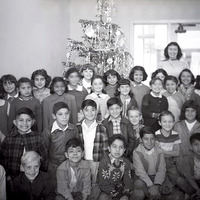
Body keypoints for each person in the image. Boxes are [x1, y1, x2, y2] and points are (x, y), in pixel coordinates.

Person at [0, 107, 48, 179]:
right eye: (21, 120)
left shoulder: (38, 138)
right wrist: (7, 175)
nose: (24, 123)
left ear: (33, 122)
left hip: (33, 177)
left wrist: (41, 176)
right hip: (13, 178)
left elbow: (44, 159)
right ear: (15, 122)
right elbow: (2, 159)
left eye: (28, 120)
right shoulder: (9, 139)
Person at [42, 102, 78, 189]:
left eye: (66, 113)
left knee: (70, 190)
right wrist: (46, 168)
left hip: (70, 165)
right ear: (54, 116)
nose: (64, 117)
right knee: (55, 190)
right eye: (60, 114)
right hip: (54, 167)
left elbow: (77, 147)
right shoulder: (48, 132)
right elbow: (44, 152)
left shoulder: (73, 129)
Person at [77, 99, 108, 185]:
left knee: (95, 183)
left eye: (93, 110)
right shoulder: (77, 128)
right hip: (81, 161)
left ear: (96, 111)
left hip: (96, 161)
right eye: (86, 110)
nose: (90, 113)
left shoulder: (101, 128)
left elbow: (105, 148)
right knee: (83, 184)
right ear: (82, 111)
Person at [132, 126, 166, 200]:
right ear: (141, 140)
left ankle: (153, 194)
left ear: (155, 139)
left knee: (168, 188)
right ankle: (152, 194)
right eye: (146, 139)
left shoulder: (160, 151)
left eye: (152, 139)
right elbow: (140, 172)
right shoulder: (136, 152)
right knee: (139, 184)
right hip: (143, 178)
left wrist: (156, 184)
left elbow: (161, 169)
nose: (149, 142)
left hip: (156, 177)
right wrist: (151, 186)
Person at [96, 134, 134, 200]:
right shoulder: (104, 162)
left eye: (121, 147)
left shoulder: (126, 162)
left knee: (139, 194)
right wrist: (117, 195)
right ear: (109, 148)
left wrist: (125, 194)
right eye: (114, 146)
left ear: (124, 149)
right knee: (103, 198)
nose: (117, 150)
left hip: (121, 188)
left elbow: (128, 180)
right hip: (106, 190)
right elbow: (103, 183)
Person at [156, 111, 181, 193]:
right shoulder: (156, 135)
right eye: (164, 121)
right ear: (160, 123)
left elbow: (177, 153)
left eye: (170, 121)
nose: (167, 124)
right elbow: (157, 153)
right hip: (159, 162)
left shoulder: (175, 135)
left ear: (173, 122)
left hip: (171, 162)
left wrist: (163, 151)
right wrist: (169, 152)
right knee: (162, 183)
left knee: (178, 180)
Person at [176, 133, 200, 199]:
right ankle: (194, 194)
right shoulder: (187, 158)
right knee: (180, 180)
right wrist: (197, 189)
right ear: (191, 147)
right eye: (196, 145)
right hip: (193, 183)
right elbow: (189, 177)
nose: (199, 147)